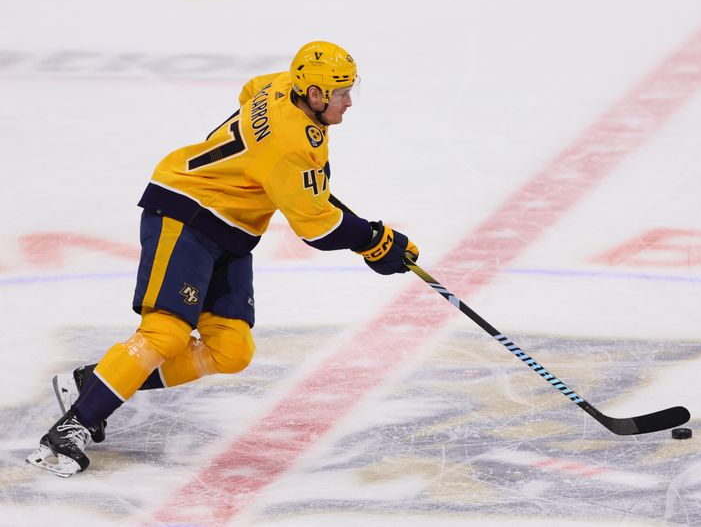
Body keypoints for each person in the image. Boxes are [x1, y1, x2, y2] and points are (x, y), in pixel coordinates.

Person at [26, 40, 419, 477]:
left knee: (231, 350)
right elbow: (318, 228)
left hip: (230, 230)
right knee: (166, 333)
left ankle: (95, 383)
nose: (348, 100)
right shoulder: (291, 145)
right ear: (313, 94)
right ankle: (73, 426)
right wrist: (374, 240)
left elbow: (251, 91)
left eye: (349, 89)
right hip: (189, 211)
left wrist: (275, 174)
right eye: (339, 92)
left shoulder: (282, 84)